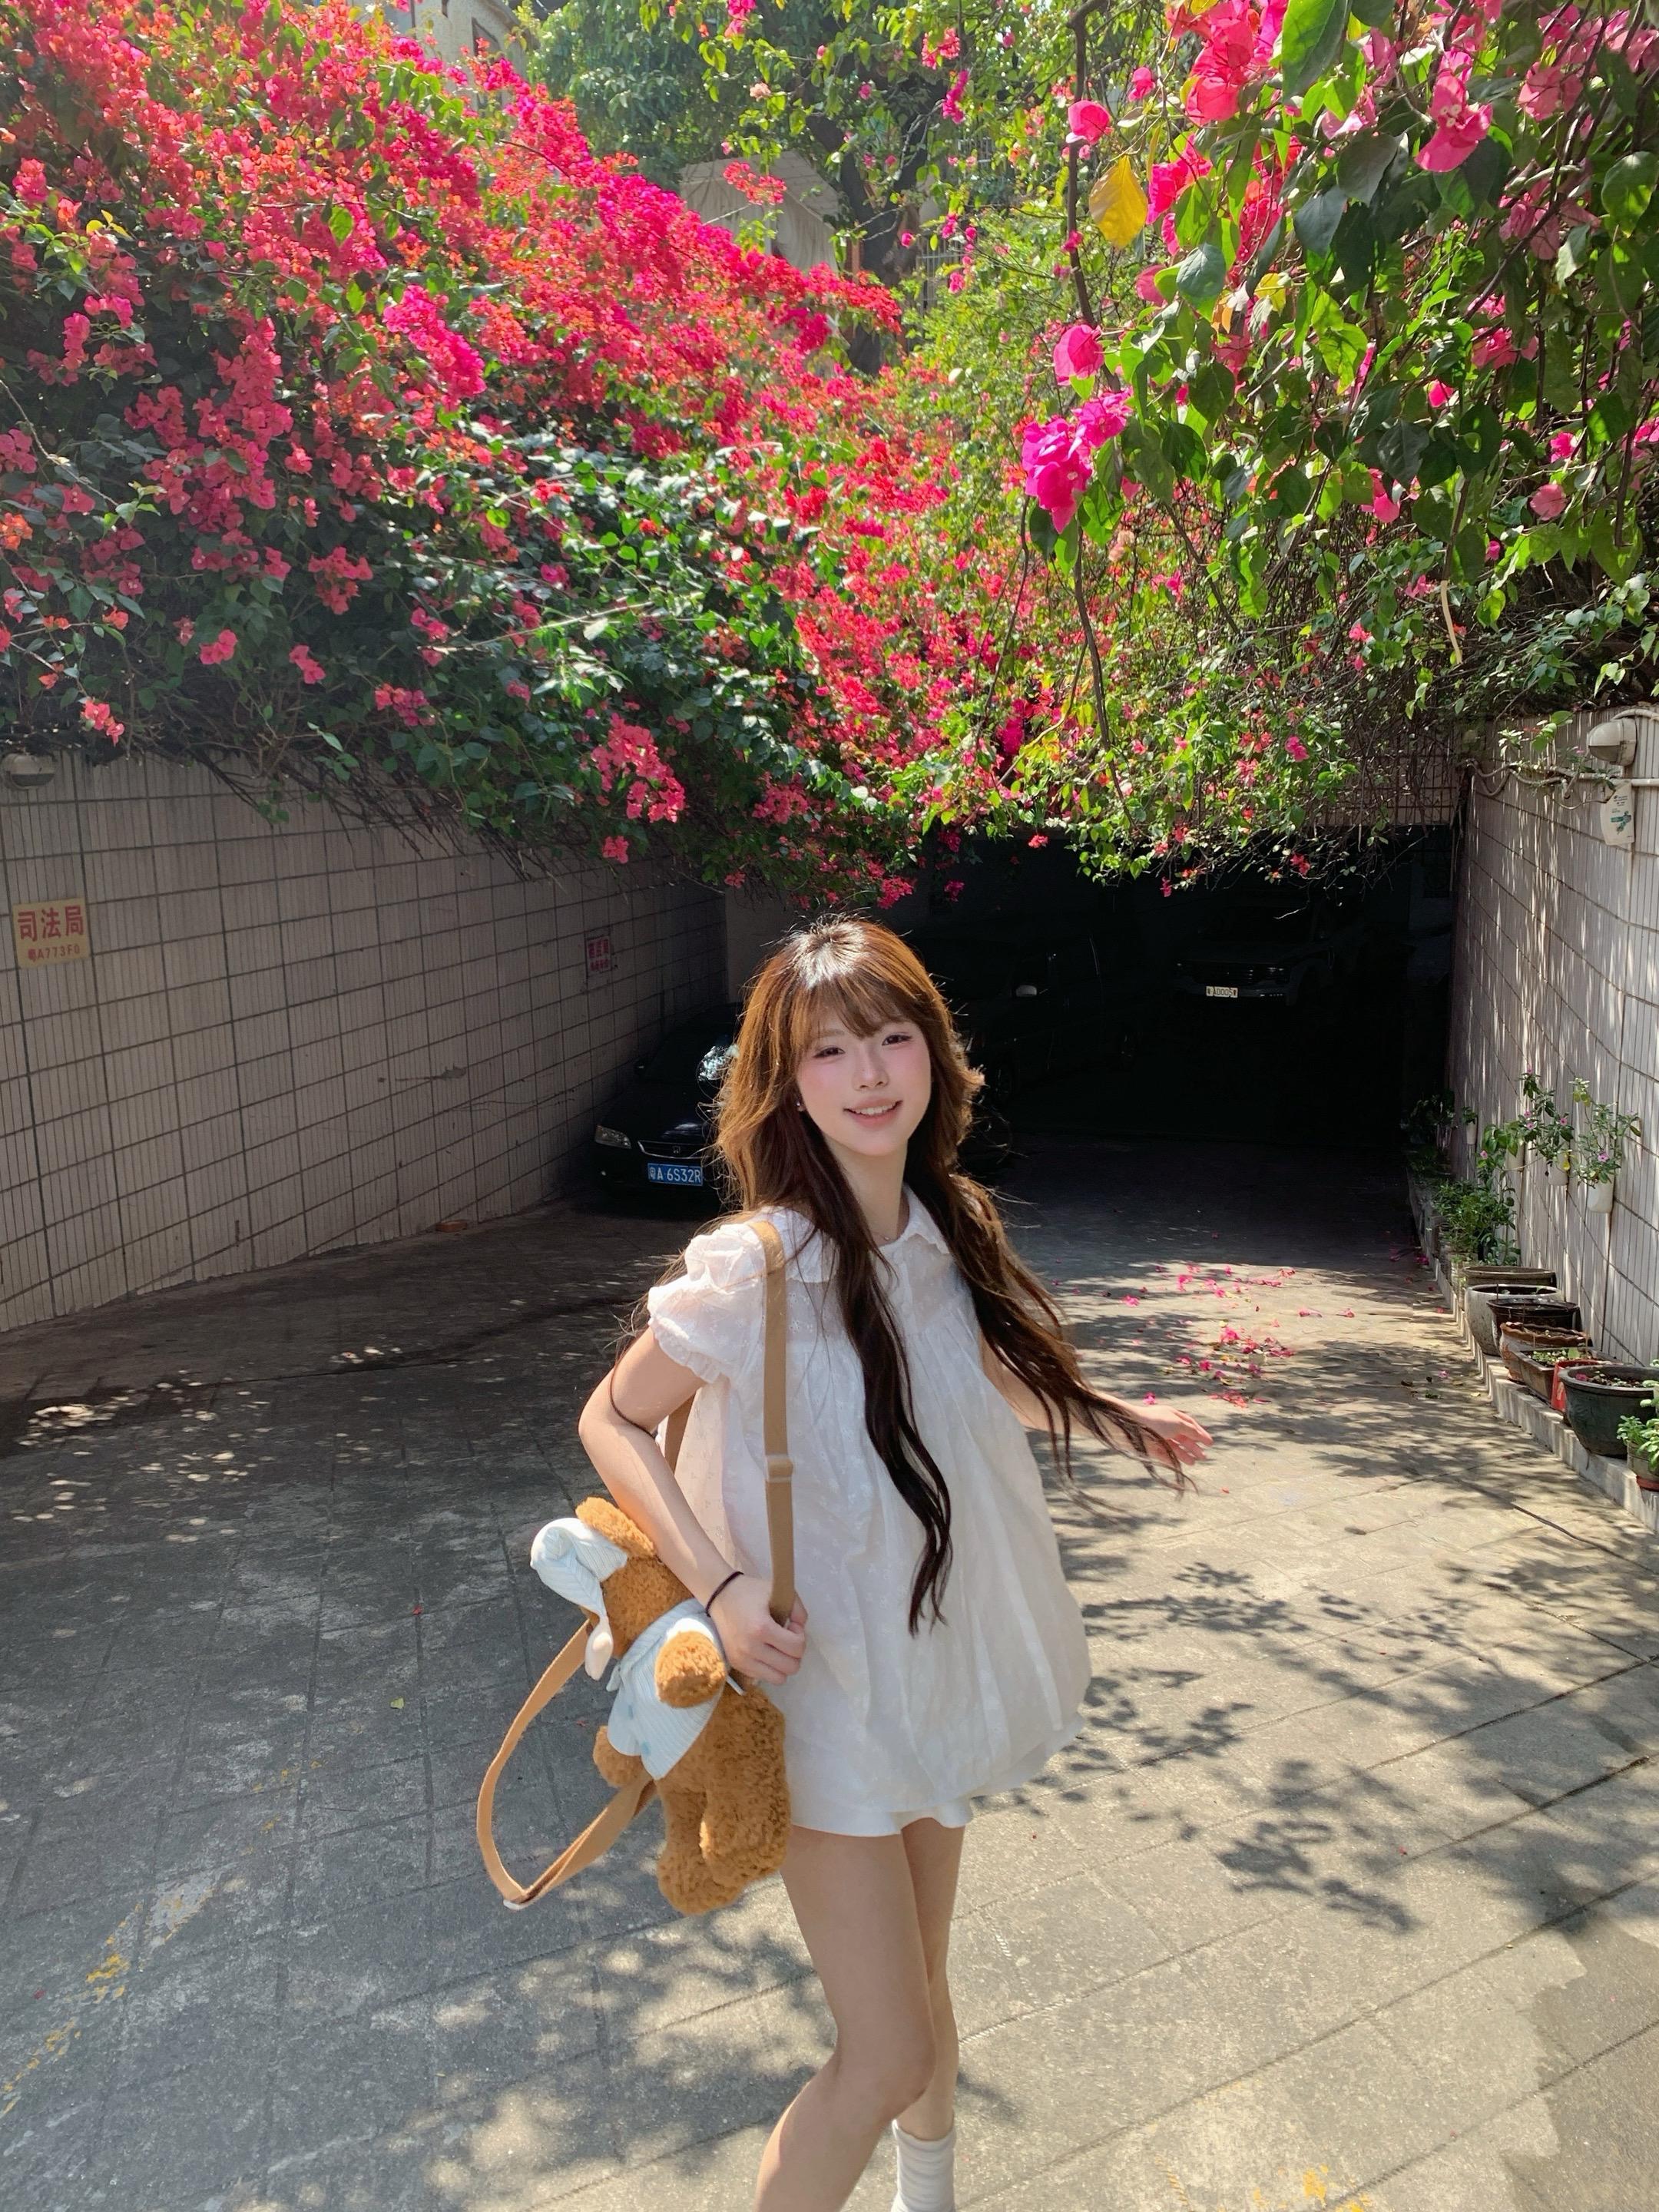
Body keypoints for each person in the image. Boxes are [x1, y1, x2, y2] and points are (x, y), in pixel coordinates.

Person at [578, 918, 1211, 2212]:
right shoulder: (755, 1266)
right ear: (787, 1083)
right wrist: (719, 1589)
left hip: (923, 1670)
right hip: (814, 1698)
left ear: (933, 1052)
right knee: (884, 2052)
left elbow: (970, 1377)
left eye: (890, 1037)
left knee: (923, 1999)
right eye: (830, 1051)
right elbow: (613, 1419)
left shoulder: (941, 1225)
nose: (869, 1073)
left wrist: (1116, 1422)